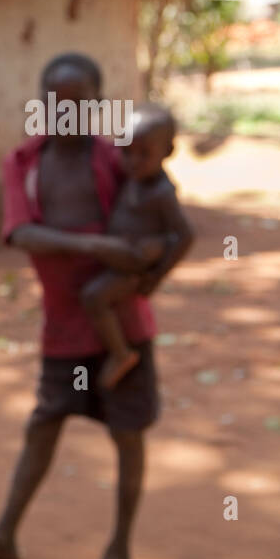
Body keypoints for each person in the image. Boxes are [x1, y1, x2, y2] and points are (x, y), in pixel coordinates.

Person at [0, 53, 187, 559]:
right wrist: (95, 244)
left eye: (78, 103)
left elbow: (158, 224)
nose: (65, 112)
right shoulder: (24, 163)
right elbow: (22, 233)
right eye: (56, 101)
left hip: (120, 327)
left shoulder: (116, 158)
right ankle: (5, 535)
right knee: (44, 423)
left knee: (127, 434)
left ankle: (119, 551)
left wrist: (147, 265)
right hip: (63, 327)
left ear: (96, 106)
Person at [82, 105, 194, 390]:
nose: (133, 160)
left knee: (93, 296)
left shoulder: (161, 192)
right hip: (124, 257)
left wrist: (156, 276)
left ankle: (121, 355)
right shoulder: (133, 179)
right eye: (127, 151)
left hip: (133, 266)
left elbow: (185, 235)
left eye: (144, 153)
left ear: (167, 152)